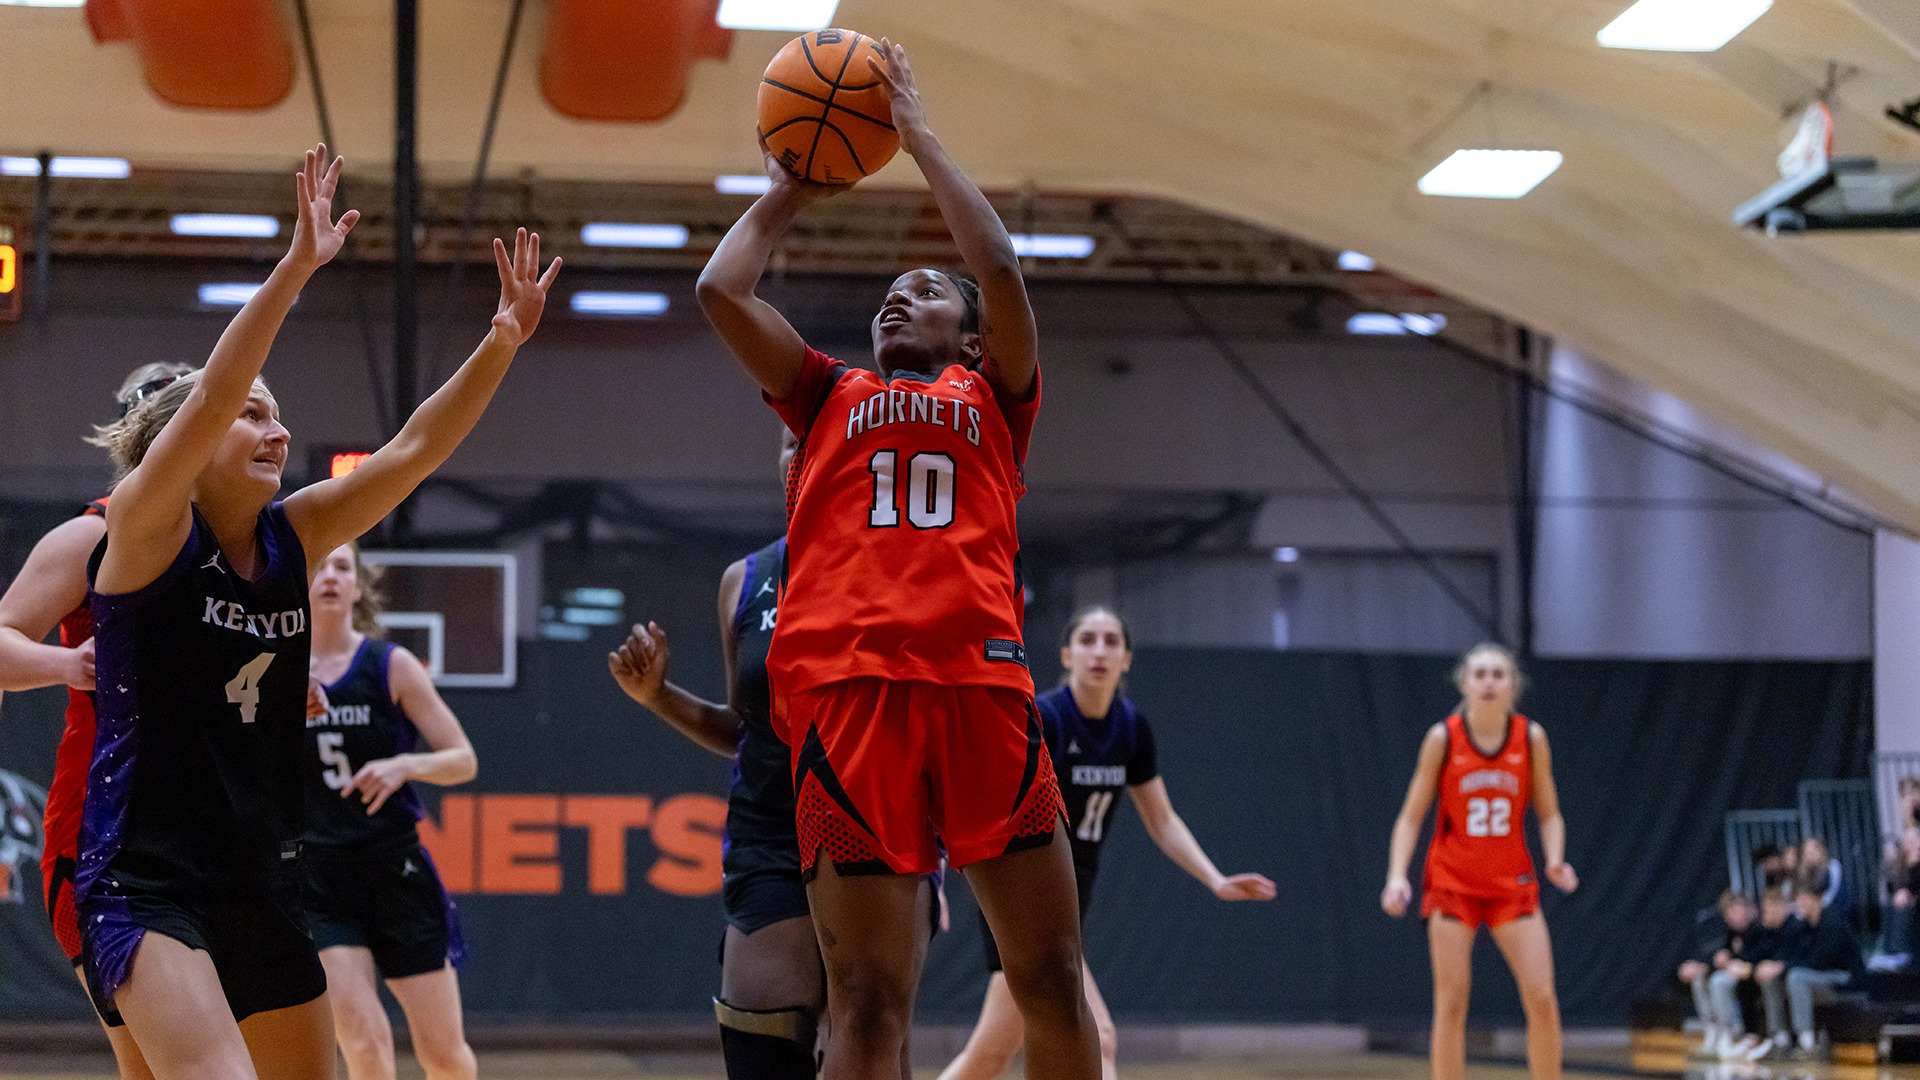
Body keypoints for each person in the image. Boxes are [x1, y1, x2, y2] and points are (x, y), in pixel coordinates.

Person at [76, 144, 558, 1080]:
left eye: (278, 413)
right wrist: (297, 267)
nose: (277, 429)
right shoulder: (143, 529)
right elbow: (211, 393)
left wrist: (501, 339)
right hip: (146, 879)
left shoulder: (295, 538)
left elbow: (414, 449)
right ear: (191, 441)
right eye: (255, 416)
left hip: (262, 875)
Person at [696, 38, 1098, 1080]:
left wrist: (913, 133)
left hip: (980, 692)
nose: (895, 299)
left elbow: (1001, 268)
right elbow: (721, 289)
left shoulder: (994, 401)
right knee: (869, 1007)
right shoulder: (828, 393)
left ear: (970, 339)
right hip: (850, 702)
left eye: (924, 290)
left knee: (1049, 978)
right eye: (889, 292)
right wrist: (789, 189)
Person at [608, 430, 938, 1079]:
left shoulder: (904, 560)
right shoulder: (746, 579)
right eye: (792, 442)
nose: (803, 453)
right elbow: (745, 728)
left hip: (876, 826)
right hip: (771, 832)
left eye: (821, 441)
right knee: (757, 1048)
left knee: (870, 1038)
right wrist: (656, 696)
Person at [937, 607, 1275, 1080]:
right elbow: (982, 796)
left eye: (1111, 641)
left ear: (1127, 659)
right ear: (1066, 655)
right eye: (1088, 639)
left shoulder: (1130, 728)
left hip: (1071, 899)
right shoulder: (1048, 719)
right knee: (1099, 1038)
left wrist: (1215, 879)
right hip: (1025, 895)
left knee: (991, 1054)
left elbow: (1162, 819)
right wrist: (936, 870)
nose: (1099, 650)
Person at [0, 362, 191, 1080]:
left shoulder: (230, 541)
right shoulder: (91, 536)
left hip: (212, 832)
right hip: (106, 837)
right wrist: (66, 665)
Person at [303, 543, 478, 1080]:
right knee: (362, 1037)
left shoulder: (388, 665)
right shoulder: (271, 673)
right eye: (319, 566)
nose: (331, 576)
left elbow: (463, 759)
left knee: (443, 1053)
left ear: (358, 587)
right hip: (317, 878)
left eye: (343, 568)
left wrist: (404, 765)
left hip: (393, 869)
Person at [1382, 643, 1578, 1080]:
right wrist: (1396, 876)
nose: (1489, 682)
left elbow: (1549, 813)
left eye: (1498, 674)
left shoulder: (1531, 738)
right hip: (1454, 884)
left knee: (1542, 997)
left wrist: (1555, 859)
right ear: (1465, 684)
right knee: (1451, 1002)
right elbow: (1410, 817)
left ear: (1513, 685)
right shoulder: (1443, 738)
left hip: (1513, 884)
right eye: (1480, 674)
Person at [1753, 866, 1866, 1061]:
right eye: (1797, 899)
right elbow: (1794, 956)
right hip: (1819, 978)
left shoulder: (1833, 921)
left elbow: (1820, 961)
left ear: (1816, 899)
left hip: (1844, 980)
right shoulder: (1804, 925)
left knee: (1796, 977)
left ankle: (1807, 1042)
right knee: (1772, 979)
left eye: (1802, 898)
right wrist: (1775, 968)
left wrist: (1782, 967)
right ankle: (1779, 1039)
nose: (1798, 904)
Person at [1677, 891, 1761, 1059]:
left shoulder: (1758, 930)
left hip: (1750, 978)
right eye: (1732, 911)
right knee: (1700, 980)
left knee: (1718, 982)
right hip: (1734, 976)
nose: (1737, 915)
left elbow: (1757, 960)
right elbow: (1720, 960)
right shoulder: (1728, 934)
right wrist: (1703, 968)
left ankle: (1728, 1032)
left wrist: (1741, 967)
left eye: (1740, 910)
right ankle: (1712, 1030)